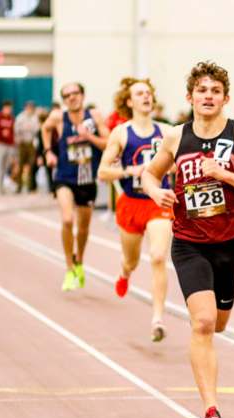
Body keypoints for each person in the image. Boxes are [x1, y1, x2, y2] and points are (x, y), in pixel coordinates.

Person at [142, 61, 234, 418]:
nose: (208, 96)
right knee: (201, 323)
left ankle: (210, 390)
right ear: (190, 97)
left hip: (228, 244)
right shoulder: (175, 137)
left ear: (225, 98)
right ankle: (211, 408)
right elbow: (149, 173)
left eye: (215, 91)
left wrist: (225, 174)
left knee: (218, 324)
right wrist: (157, 192)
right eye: (202, 90)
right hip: (189, 243)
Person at [97, 77, 174, 341]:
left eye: (149, 93)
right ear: (129, 101)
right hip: (130, 203)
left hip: (157, 202)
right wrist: (128, 170)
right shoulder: (121, 132)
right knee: (131, 259)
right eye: (139, 93)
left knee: (158, 257)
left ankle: (157, 319)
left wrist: (166, 168)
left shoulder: (165, 131)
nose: (146, 97)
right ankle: (124, 272)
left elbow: (179, 162)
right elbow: (103, 171)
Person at [41, 82, 108, 291]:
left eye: (75, 93)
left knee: (84, 228)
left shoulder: (95, 115)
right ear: (64, 100)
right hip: (64, 177)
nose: (71, 97)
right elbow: (45, 128)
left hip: (87, 179)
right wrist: (48, 152)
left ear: (82, 95)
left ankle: (79, 259)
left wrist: (88, 136)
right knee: (68, 219)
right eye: (67, 95)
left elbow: (108, 142)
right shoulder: (58, 117)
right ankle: (69, 269)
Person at [14, 101, 40, 192]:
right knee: (20, 166)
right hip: (22, 143)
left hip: (31, 143)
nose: (30, 109)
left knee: (31, 165)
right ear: (25, 108)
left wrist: (28, 128)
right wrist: (26, 128)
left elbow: (36, 129)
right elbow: (16, 129)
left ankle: (30, 186)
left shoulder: (35, 117)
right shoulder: (20, 117)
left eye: (31, 107)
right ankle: (19, 186)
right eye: (28, 107)